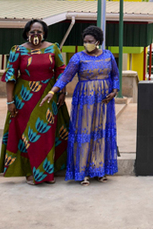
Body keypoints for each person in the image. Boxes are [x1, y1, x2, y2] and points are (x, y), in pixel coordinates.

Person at [0, 19, 70, 185]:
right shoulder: (18, 50)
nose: (36, 34)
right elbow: (10, 76)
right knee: (28, 135)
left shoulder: (53, 48)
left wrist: (62, 92)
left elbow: (61, 71)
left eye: (39, 31)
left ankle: (47, 173)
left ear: (44, 33)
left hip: (48, 96)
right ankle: (30, 172)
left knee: (46, 134)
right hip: (24, 97)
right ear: (26, 33)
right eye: (32, 31)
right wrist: (10, 102)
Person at [47, 26, 120, 186]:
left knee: (100, 133)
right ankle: (83, 172)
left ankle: (99, 170)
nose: (86, 44)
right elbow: (65, 76)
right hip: (85, 100)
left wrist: (114, 91)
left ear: (98, 42)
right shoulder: (77, 58)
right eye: (85, 41)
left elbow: (115, 74)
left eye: (90, 41)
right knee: (84, 132)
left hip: (104, 100)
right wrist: (53, 91)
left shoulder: (108, 56)